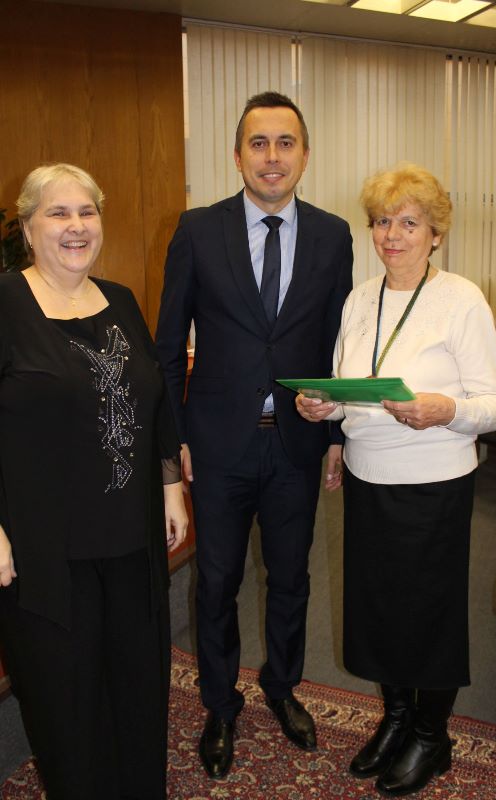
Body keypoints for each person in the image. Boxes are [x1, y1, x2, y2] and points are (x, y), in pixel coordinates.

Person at [156, 91, 353, 779]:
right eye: (258, 143)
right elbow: (165, 347)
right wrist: (173, 444)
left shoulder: (332, 235)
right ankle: (219, 704)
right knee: (217, 580)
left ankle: (282, 685)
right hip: (216, 445)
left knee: (292, 577)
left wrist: (337, 435)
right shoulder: (197, 230)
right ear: (237, 154)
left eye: (285, 142)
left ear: (305, 154)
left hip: (297, 444)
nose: (272, 157)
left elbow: (338, 345)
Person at [297, 163, 496, 797]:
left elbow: (495, 405)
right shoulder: (360, 298)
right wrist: (324, 409)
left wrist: (447, 409)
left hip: (433, 482)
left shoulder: (461, 299)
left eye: (409, 223)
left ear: (436, 234)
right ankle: (395, 719)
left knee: (428, 613)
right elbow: (351, 386)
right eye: (383, 221)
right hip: (369, 477)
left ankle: (431, 735)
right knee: (378, 607)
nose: (392, 235)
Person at [0, 163, 188, 800]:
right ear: (28, 228)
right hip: (46, 548)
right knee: (67, 702)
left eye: (87, 211)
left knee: (137, 688)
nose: (76, 225)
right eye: (58, 213)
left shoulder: (121, 300)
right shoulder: (5, 303)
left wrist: (170, 485)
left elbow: (155, 398)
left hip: (132, 540)